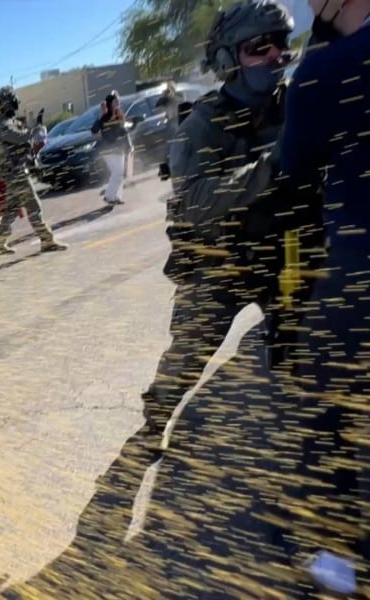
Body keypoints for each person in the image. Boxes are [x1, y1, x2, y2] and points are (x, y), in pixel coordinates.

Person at [140, 0, 324, 449]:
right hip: (219, 258)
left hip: (287, 249)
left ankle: (304, 427)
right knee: (190, 352)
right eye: (259, 47)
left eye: (280, 43)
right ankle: (154, 423)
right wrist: (271, 166)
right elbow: (196, 202)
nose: (275, 55)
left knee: (297, 337)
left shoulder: (298, 101)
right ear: (227, 60)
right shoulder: (203, 124)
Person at [276, 0, 370, 592]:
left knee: (324, 405)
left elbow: (294, 165)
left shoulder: (326, 68)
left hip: (359, 272)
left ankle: (333, 559)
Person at [0, 86, 68, 255]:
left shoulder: (9, 122)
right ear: (6, 104)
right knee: (34, 206)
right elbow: (20, 138)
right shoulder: (2, 125)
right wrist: (35, 129)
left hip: (15, 171)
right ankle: (46, 240)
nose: (15, 103)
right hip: (15, 173)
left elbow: (23, 140)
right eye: (12, 101)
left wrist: (33, 130)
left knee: (12, 208)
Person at [91, 91, 133, 205]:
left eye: (118, 100)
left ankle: (116, 196)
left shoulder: (119, 115)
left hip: (119, 149)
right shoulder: (104, 117)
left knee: (120, 174)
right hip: (108, 150)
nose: (118, 102)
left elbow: (124, 131)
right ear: (110, 103)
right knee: (117, 173)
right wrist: (100, 116)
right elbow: (94, 130)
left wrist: (129, 145)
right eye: (115, 101)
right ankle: (109, 196)